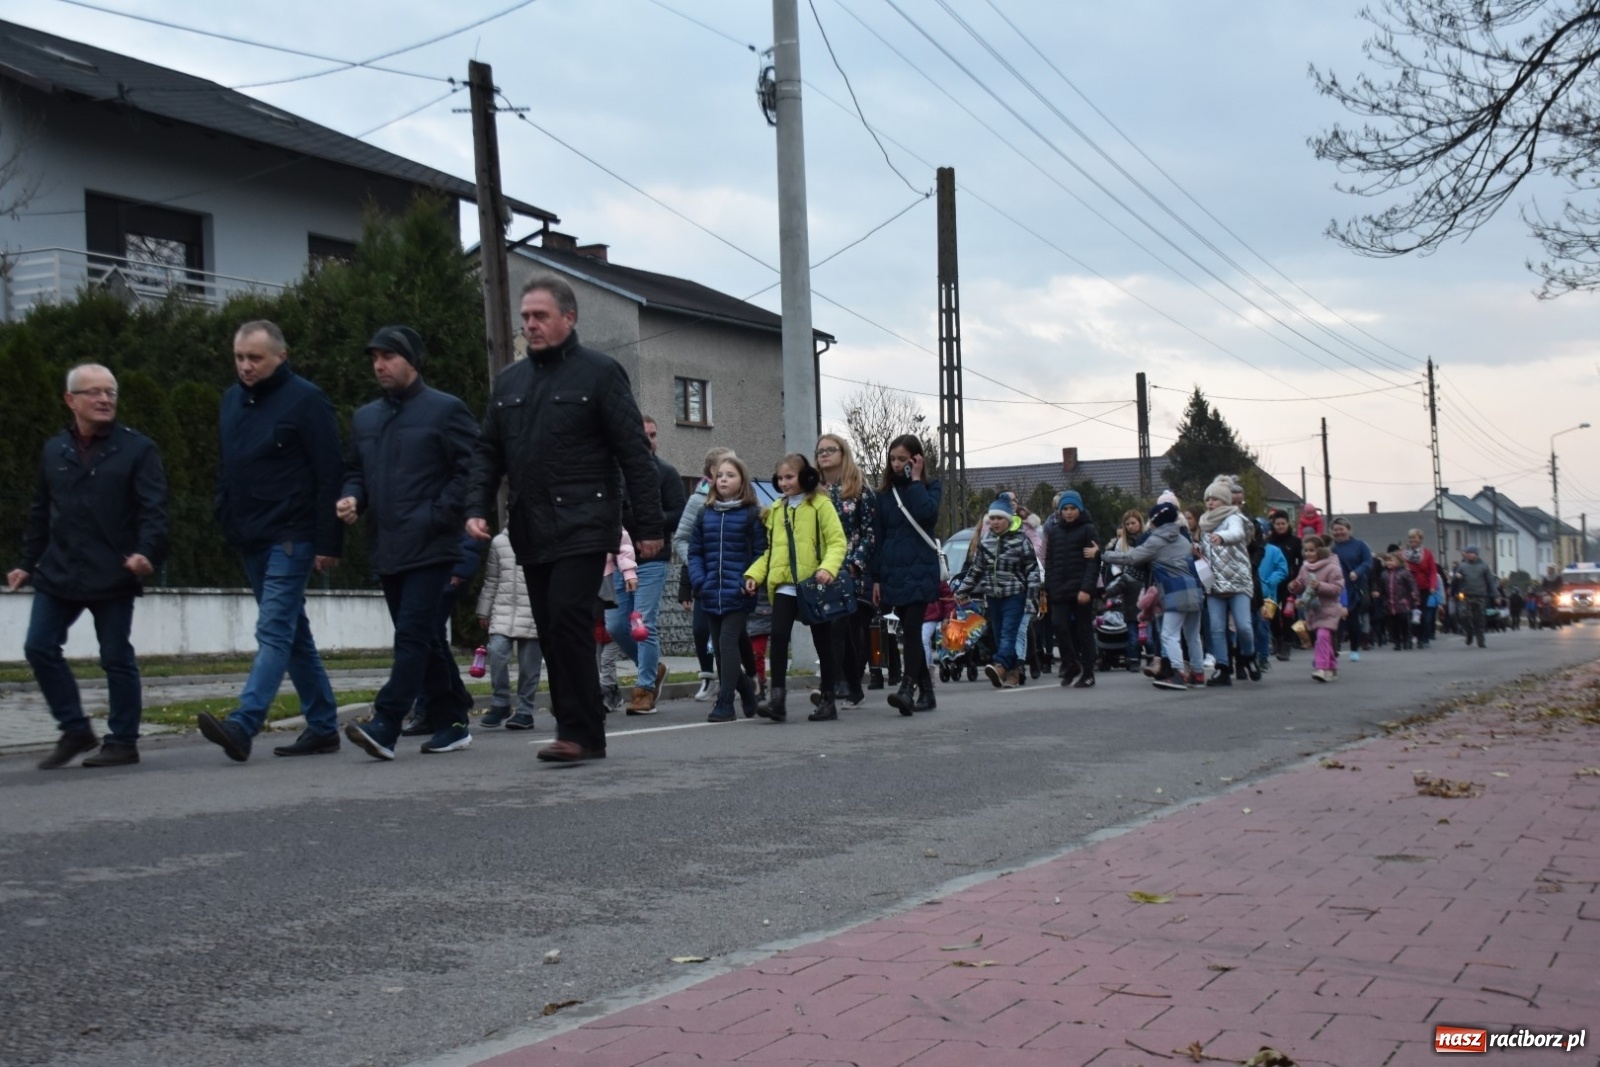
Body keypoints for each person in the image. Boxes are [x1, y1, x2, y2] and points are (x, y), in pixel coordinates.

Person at [468, 275, 662, 764]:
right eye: (526, 317)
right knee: (551, 628)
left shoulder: (599, 373)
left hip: (585, 521)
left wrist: (649, 527)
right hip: (530, 526)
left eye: (541, 316)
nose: (530, 325)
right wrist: (475, 507)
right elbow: (487, 452)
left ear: (568, 319)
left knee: (569, 618)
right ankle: (584, 729)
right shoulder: (509, 382)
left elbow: (633, 453)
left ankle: (576, 730)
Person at [332, 326, 480, 760]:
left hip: (433, 545)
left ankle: (386, 722)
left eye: (389, 356)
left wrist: (438, 514)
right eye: (374, 357)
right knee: (425, 635)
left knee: (412, 637)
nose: (379, 365)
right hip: (388, 545)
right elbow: (355, 469)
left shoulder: (446, 410)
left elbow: (471, 471)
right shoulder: (366, 418)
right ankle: (452, 720)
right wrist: (352, 497)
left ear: (413, 361)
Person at [12, 363, 169, 770]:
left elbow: (154, 511)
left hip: (114, 571)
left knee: (116, 656)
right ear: (71, 400)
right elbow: (41, 511)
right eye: (93, 392)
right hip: (59, 570)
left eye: (110, 392)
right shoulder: (54, 450)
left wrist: (146, 552)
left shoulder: (138, 449)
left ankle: (122, 741)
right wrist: (27, 563)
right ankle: (75, 728)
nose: (104, 399)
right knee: (38, 646)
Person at [201, 320, 344, 762]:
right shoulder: (231, 401)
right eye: (240, 357)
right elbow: (228, 467)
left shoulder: (306, 400)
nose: (245, 366)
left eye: (255, 358)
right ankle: (322, 726)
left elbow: (329, 472)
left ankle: (243, 724)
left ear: (280, 357)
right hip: (251, 535)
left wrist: (329, 541)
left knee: (274, 629)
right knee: (293, 634)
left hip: (292, 535)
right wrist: (226, 516)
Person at [744, 453, 848, 722]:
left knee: (823, 642)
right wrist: (754, 573)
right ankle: (777, 700)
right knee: (778, 637)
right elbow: (770, 551)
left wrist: (827, 568)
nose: (783, 482)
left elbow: (837, 542)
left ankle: (828, 699)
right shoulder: (776, 511)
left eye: (789, 477)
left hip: (815, 585)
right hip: (784, 586)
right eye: (780, 478)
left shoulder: (820, 506)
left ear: (805, 477)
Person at [607, 416, 685, 715]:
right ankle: (652, 668)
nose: (649, 440)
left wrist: (648, 531)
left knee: (643, 623)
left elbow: (677, 513)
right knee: (616, 625)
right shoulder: (615, 472)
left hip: (653, 558)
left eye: (653, 434)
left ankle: (644, 690)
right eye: (643, 435)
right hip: (620, 558)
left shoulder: (667, 473)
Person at [687, 455, 766, 722]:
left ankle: (725, 702)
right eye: (720, 475)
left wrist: (748, 579)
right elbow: (695, 551)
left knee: (726, 642)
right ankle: (746, 689)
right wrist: (699, 580)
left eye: (730, 475)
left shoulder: (751, 514)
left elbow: (760, 552)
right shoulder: (705, 513)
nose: (723, 479)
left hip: (739, 592)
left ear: (742, 480)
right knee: (720, 650)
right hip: (710, 591)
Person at [871, 434, 944, 713]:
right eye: (893, 459)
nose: (896, 463)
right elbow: (879, 536)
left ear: (916, 459)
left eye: (903, 458)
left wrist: (914, 481)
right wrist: (877, 578)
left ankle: (907, 687)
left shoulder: (930, 486)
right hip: (893, 571)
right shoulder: (884, 495)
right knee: (908, 632)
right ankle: (927, 692)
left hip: (921, 568)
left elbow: (927, 515)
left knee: (913, 628)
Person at [1098, 501, 1202, 691]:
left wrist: (1102, 555)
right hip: (1195, 590)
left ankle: (1178, 674)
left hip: (1174, 591)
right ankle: (1198, 673)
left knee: (1169, 634)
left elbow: (1131, 558)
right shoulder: (1183, 538)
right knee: (1193, 635)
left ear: (1156, 521)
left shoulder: (1156, 540)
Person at [815, 433, 878, 707]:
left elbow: (870, 533)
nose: (825, 454)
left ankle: (831, 684)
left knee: (841, 627)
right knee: (831, 627)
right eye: (820, 451)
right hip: (822, 569)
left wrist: (855, 564)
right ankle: (852, 684)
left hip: (852, 569)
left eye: (831, 449)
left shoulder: (861, 489)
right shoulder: (813, 491)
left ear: (843, 453)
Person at [403, 532, 485, 736]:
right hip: (422, 565)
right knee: (431, 637)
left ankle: (430, 708)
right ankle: (455, 699)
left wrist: (461, 566)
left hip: (445, 568)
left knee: (426, 637)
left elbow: (469, 519)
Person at [955, 497, 1042, 688]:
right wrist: (962, 591)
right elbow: (976, 570)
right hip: (993, 597)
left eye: (999, 518)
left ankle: (1000, 664)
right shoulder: (986, 542)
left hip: (1015, 595)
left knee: (1009, 633)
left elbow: (1033, 572)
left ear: (1008, 520)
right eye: (992, 518)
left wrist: (1032, 600)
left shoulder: (1021, 541)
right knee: (998, 634)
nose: (995, 522)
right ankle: (1013, 674)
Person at [674, 447, 737, 701]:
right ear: (713, 470)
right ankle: (708, 679)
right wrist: (698, 565)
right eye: (726, 464)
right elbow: (681, 539)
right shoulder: (697, 500)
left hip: (732, 578)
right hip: (706, 579)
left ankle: (741, 680)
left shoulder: (744, 499)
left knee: (732, 634)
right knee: (702, 629)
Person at [476, 529, 542, 730]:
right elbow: (492, 579)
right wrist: (483, 611)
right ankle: (500, 703)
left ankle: (524, 711)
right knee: (496, 652)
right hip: (503, 611)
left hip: (533, 610)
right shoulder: (499, 542)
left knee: (529, 665)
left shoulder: (543, 536)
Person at [1196, 477, 1258, 685]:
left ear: (1225, 501)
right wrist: (1198, 556)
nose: (1210, 503)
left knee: (1244, 626)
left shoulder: (1234, 517)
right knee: (1216, 628)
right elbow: (1204, 557)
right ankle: (1222, 668)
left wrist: (1222, 537)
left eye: (1215, 499)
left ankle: (1248, 655)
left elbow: (1237, 533)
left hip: (1238, 582)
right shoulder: (1204, 523)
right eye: (1208, 499)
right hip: (1214, 585)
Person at [1041, 490, 1100, 688]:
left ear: (1080, 509)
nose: (1068, 512)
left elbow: (1093, 563)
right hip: (1059, 588)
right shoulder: (1054, 531)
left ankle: (1088, 671)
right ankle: (1070, 662)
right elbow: (1049, 561)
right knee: (1058, 625)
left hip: (1080, 589)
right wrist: (1049, 585)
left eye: (1072, 508)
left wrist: (1087, 589)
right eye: (1064, 509)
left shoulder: (1088, 529)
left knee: (1083, 630)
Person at [1288, 534, 1345, 682]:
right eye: (1306, 551)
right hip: (1313, 610)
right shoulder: (1305, 568)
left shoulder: (1332, 567)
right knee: (1322, 639)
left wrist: (1321, 586)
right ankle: (1332, 665)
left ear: (1320, 551)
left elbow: (1338, 588)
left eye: (1311, 550)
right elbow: (1300, 584)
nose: (1308, 554)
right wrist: (1294, 586)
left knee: (1323, 636)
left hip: (1329, 608)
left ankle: (1321, 668)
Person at [1329, 518, 1374, 660]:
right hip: (1337, 587)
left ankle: (1354, 648)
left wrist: (1357, 572)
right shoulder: (1331, 548)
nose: (1338, 532)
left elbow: (1368, 562)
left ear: (1349, 529)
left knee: (1352, 619)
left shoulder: (1360, 545)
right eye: (1335, 530)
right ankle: (1335, 648)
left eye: (1341, 529)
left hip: (1354, 587)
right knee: (1336, 620)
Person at [1266, 510, 1303, 661]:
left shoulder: (1295, 542)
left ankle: (1288, 644)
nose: (1280, 527)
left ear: (1288, 524)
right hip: (1271, 583)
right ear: (1273, 525)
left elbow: (1301, 562)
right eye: (1277, 524)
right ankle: (1277, 640)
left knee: (1288, 614)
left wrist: (1298, 579)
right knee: (1271, 613)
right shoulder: (1268, 542)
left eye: (1283, 524)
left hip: (1289, 584)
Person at [1401, 528, 1440, 648]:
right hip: (1406, 587)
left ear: (1420, 539)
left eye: (1414, 537)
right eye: (1410, 537)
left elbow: (1433, 571)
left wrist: (1433, 586)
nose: (1412, 540)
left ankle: (1422, 637)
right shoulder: (1402, 553)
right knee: (1407, 613)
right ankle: (1409, 636)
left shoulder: (1427, 553)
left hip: (1423, 587)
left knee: (1420, 613)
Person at [1375, 552, 1419, 649]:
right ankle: (1397, 641)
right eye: (1387, 561)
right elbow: (1381, 587)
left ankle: (1407, 640)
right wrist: (1377, 592)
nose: (1389, 563)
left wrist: (1415, 597)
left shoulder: (1405, 573)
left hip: (1403, 603)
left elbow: (1412, 585)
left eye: (1391, 560)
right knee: (1393, 624)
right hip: (1390, 604)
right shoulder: (1384, 574)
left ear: (1399, 562)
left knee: (1404, 623)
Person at [1456, 544, 1496, 648]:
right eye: (1468, 553)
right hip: (1465, 595)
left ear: (1476, 554)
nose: (1469, 555)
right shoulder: (1463, 566)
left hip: (1480, 595)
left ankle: (1480, 639)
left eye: (1471, 553)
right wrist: (1457, 578)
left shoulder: (1484, 566)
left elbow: (1490, 581)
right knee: (1463, 615)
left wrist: (1495, 595)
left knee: (1480, 618)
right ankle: (1469, 632)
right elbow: (1455, 581)